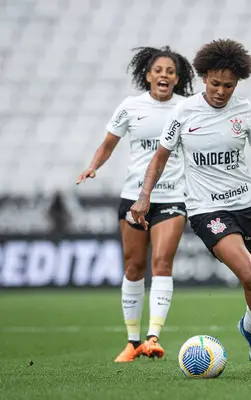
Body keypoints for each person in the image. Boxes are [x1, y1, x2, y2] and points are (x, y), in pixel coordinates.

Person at [129, 39, 251, 378]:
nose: (221, 91)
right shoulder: (183, 113)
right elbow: (159, 158)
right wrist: (144, 195)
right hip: (207, 211)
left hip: (247, 205)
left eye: (229, 85)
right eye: (216, 83)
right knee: (249, 276)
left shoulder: (245, 111)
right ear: (204, 77)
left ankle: (249, 328)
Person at [76, 46, 195, 363]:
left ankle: (153, 337)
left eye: (170, 71)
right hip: (132, 196)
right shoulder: (130, 107)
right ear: (147, 75)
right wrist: (94, 166)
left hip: (171, 196)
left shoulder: (186, 108)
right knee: (132, 267)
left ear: (177, 78)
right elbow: (108, 144)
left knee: (162, 263)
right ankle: (132, 342)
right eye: (159, 70)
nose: (164, 75)